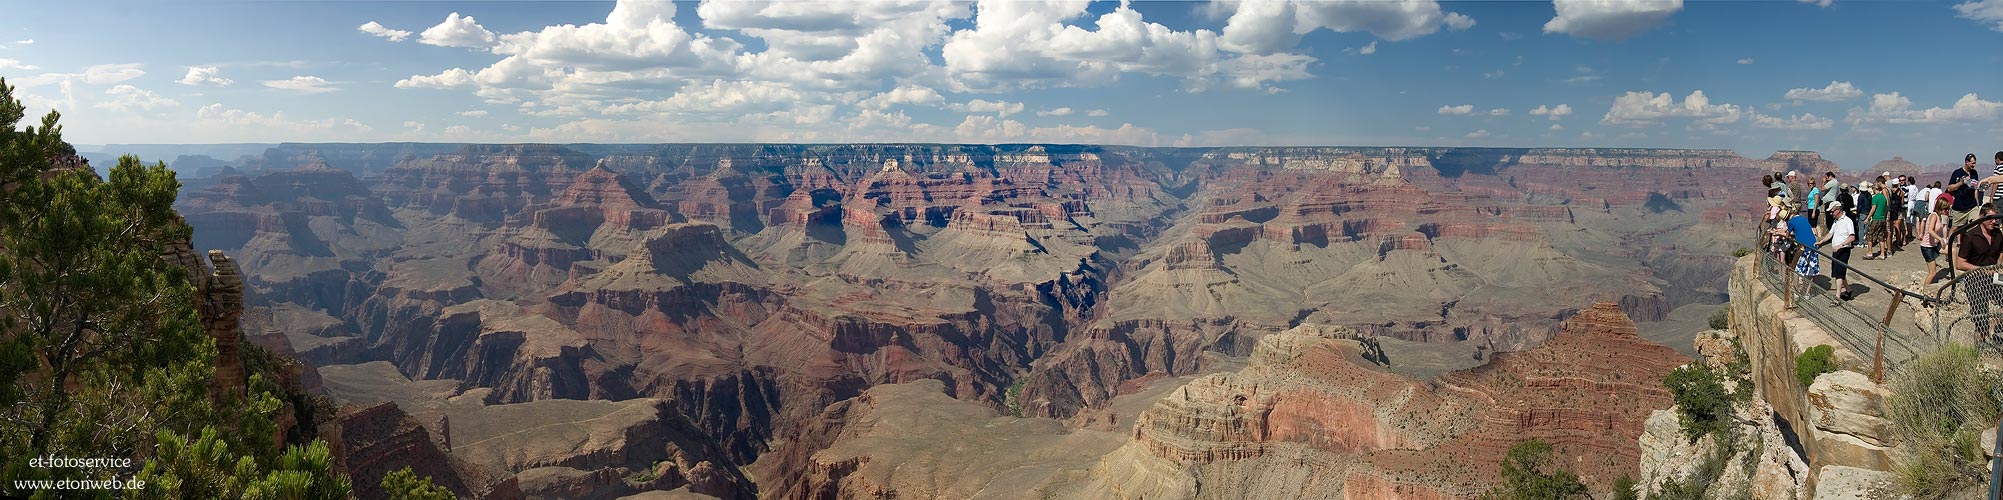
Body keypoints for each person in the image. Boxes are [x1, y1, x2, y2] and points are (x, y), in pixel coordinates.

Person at [1955, 207, 2003, 341]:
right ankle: (1980, 346)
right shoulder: (1970, 236)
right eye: (1990, 219)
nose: (1993, 222)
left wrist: (1998, 263)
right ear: (1982, 217)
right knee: (1980, 317)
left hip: (1994, 275)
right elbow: (1960, 263)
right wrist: (1981, 270)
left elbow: (2001, 251)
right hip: (1975, 278)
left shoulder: (1998, 233)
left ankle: (1995, 323)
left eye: (1995, 219)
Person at [1821, 201, 1857, 303]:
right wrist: (1821, 241)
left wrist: (1840, 245)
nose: (1831, 213)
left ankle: (1837, 297)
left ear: (1838, 210)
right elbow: (1830, 233)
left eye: (1832, 211)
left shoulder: (1847, 221)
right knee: (1839, 272)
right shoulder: (1836, 221)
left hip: (1843, 250)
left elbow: (1852, 237)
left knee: (1839, 274)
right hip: (1836, 250)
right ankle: (1848, 291)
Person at [1951, 153, 1984, 230]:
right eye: (1972, 163)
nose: (1974, 165)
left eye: (1975, 163)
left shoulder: (1974, 173)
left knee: (1975, 223)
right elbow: (1950, 188)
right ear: (1967, 162)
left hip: (1972, 205)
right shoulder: (1957, 173)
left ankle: (1973, 241)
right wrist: (1961, 183)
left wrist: (1977, 202)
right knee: (1955, 228)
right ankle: (1949, 241)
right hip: (1960, 206)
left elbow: (1975, 188)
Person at [1922, 200, 1950, 284]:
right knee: (1932, 272)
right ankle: (1925, 290)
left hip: (1934, 244)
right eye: (1945, 209)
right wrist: (1941, 239)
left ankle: (1954, 272)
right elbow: (1930, 230)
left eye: (1948, 209)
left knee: (1953, 251)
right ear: (1940, 207)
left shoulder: (1940, 216)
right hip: (1927, 247)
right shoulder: (1934, 216)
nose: (1947, 210)